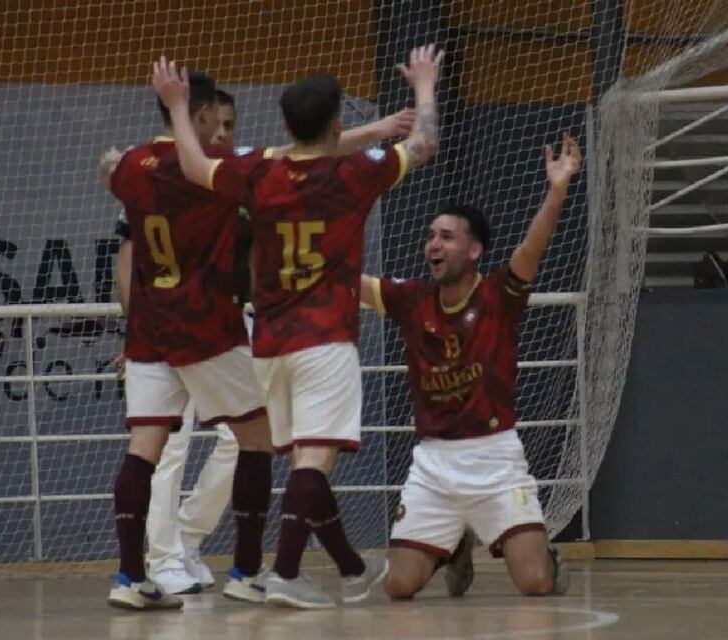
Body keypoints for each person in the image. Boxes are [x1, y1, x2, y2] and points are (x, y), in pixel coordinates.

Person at [152, 44, 442, 608]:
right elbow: (424, 142)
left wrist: (179, 108)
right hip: (325, 339)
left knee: (302, 463)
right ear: (336, 126)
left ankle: (350, 568)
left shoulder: (259, 172)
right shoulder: (354, 174)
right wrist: (425, 86)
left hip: (268, 342)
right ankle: (283, 571)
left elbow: (193, 165)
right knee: (314, 461)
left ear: (285, 126)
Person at [359, 134, 581, 600]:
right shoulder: (412, 299)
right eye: (430, 236)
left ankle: (542, 552)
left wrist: (557, 189)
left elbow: (532, 247)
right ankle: (451, 545)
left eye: (446, 237)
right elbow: (350, 284)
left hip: (495, 459)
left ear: (474, 250)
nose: (432, 245)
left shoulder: (498, 295)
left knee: (536, 583)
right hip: (434, 464)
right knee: (399, 586)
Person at [105, 71, 274, 610]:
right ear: (196, 116)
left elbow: (113, 174)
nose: (222, 131)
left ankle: (131, 577)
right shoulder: (214, 172)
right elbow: (301, 155)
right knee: (258, 436)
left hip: (150, 331)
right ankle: (246, 569)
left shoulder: (131, 165)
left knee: (144, 449)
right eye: (214, 121)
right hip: (205, 327)